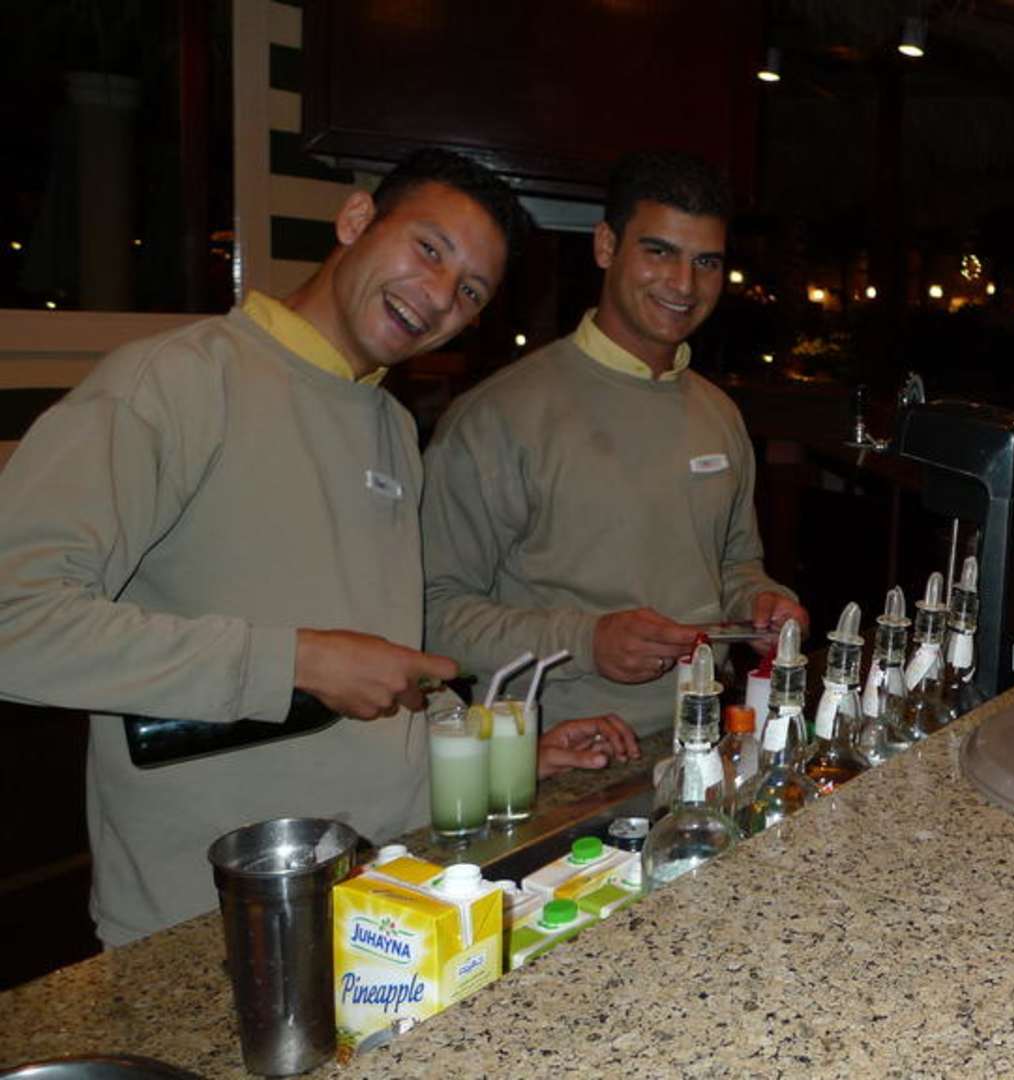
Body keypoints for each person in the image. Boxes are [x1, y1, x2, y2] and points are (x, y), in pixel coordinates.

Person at [0, 149, 635, 946]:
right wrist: (296, 662)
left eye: (471, 291)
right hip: (212, 919)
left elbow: (375, 668)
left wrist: (493, 752)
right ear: (356, 219)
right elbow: (14, 621)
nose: (440, 295)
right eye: (429, 249)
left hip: (387, 896)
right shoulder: (175, 382)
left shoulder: (391, 425)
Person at [421, 151, 806, 738]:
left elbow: (732, 563)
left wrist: (760, 601)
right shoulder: (497, 417)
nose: (684, 284)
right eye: (659, 252)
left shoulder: (720, 414)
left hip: (709, 735)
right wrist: (587, 641)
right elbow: (433, 614)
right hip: (556, 752)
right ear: (606, 246)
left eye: (705, 261)